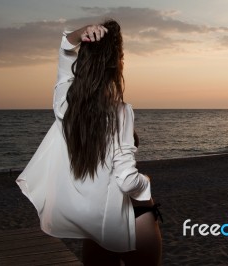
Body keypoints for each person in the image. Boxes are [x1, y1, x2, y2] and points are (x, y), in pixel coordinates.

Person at [16, 20, 162, 265]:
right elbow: (127, 181)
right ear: (116, 65)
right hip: (134, 214)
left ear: (83, 63)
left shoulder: (64, 105)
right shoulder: (121, 111)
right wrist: (145, 184)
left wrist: (80, 33)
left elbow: (65, 47)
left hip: (96, 224)